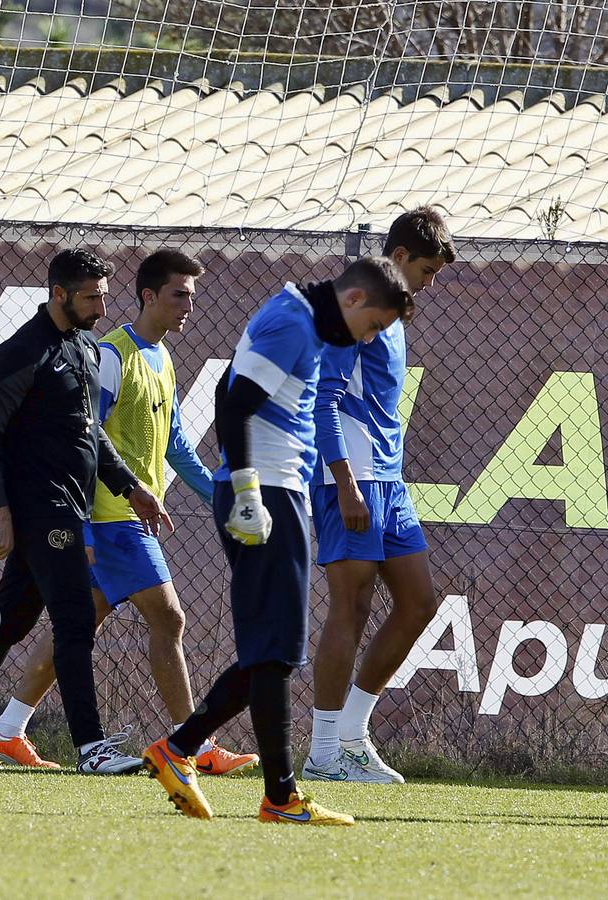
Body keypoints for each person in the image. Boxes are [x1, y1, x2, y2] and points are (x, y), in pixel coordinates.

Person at [142, 257, 412, 826]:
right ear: (356, 300)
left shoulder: (298, 318)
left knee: (273, 652)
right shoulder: (292, 322)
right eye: (373, 328)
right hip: (265, 488)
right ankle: (276, 795)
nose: (369, 339)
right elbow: (235, 402)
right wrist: (243, 486)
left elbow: (227, 389)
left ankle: (190, 753)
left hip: (273, 486)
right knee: (277, 651)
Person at [0, 249, 256, 777]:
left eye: (193, 297)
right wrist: (84, 519)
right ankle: (193, 745)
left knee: (79, 624)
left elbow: (175, 445)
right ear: (149, 296)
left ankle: (8, 729)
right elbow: (85, 436)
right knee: (168, 616)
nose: (189, 308)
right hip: (109, 515)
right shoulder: (111, 354)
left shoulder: (163, 358)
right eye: (179, 295)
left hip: (129, 513)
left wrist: (218, 497)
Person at [0, 248, 165, 775]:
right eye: (91, 297)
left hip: (70, 504)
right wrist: (2, 512)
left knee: (11, 620)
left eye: (105, 296)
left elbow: (89, 430)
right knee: (75, 618)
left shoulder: (86, 346)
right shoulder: (23, 351)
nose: (102, 308)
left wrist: (131, 488)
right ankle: (92, 747)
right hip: (42, 509)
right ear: (58, 294)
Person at [303, 209, 455, 784]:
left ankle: (352, 736)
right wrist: (343, 482)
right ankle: (322, 754)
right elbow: (324, 401)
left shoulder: (394, 319)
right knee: (353, 605)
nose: (430, 282)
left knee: (419, 602)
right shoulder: (357, 313)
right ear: (397, 258)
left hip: (388, 480)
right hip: (351, 477)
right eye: (427, 269)